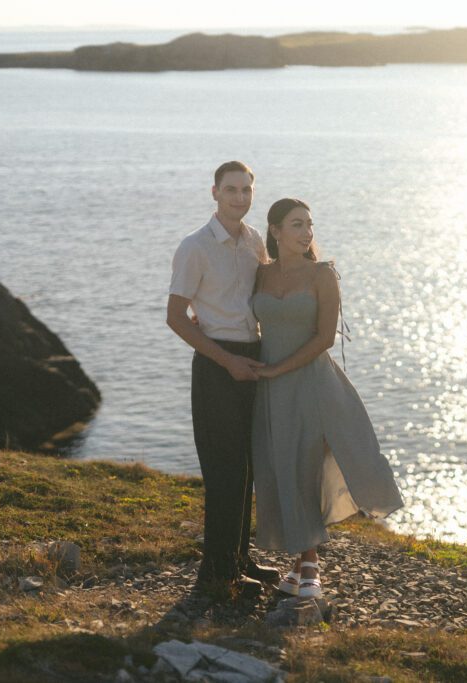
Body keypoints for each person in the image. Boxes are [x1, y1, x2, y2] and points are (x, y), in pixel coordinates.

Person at [251, 198, 404, 598]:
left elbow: (323, 339)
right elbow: (242, 315)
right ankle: (297, 564)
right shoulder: (260, 275)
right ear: (276, 230)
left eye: (309, 225)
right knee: (279, 467)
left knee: (307, 467)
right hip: (270, 387)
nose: (306, 233)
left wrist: (275, 370)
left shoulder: (323, 275)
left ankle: (312, 568)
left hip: (312, 384)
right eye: (297, 225)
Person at [166, 161, 281, 599]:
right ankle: (215, 576)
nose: (239, 197)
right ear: (214, 192)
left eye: (246, 190)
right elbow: (176, 317)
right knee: (223, 471)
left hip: (252, 358)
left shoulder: (254, 241)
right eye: (231, 189)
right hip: (217, 365)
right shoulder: (195, 247)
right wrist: (225, 359)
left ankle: (239, 560)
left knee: (248, 467)